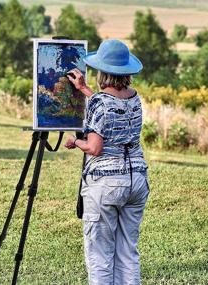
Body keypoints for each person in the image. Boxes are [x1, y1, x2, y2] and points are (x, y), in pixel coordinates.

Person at [65, 39, 150, 285]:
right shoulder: (134, 98)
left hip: (106, 183)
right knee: (127, 253)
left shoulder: (101, 103)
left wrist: (75, 142)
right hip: (137, 180)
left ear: (103, 71)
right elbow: (110, 108)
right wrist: (85, 90)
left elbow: (94, 147)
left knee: (100, 255)